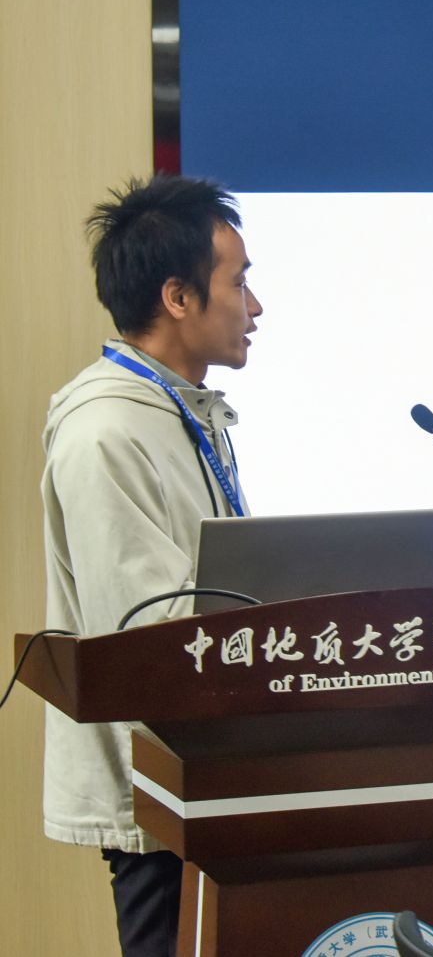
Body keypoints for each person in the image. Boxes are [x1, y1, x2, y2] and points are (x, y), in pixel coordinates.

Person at [40, 175, 261, 957]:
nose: (256, 306)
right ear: (178, 297)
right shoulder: (105, 431)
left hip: (220, 779)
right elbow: (147, 638)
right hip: (162, 800)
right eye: (238, 282)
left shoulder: (187, 411)